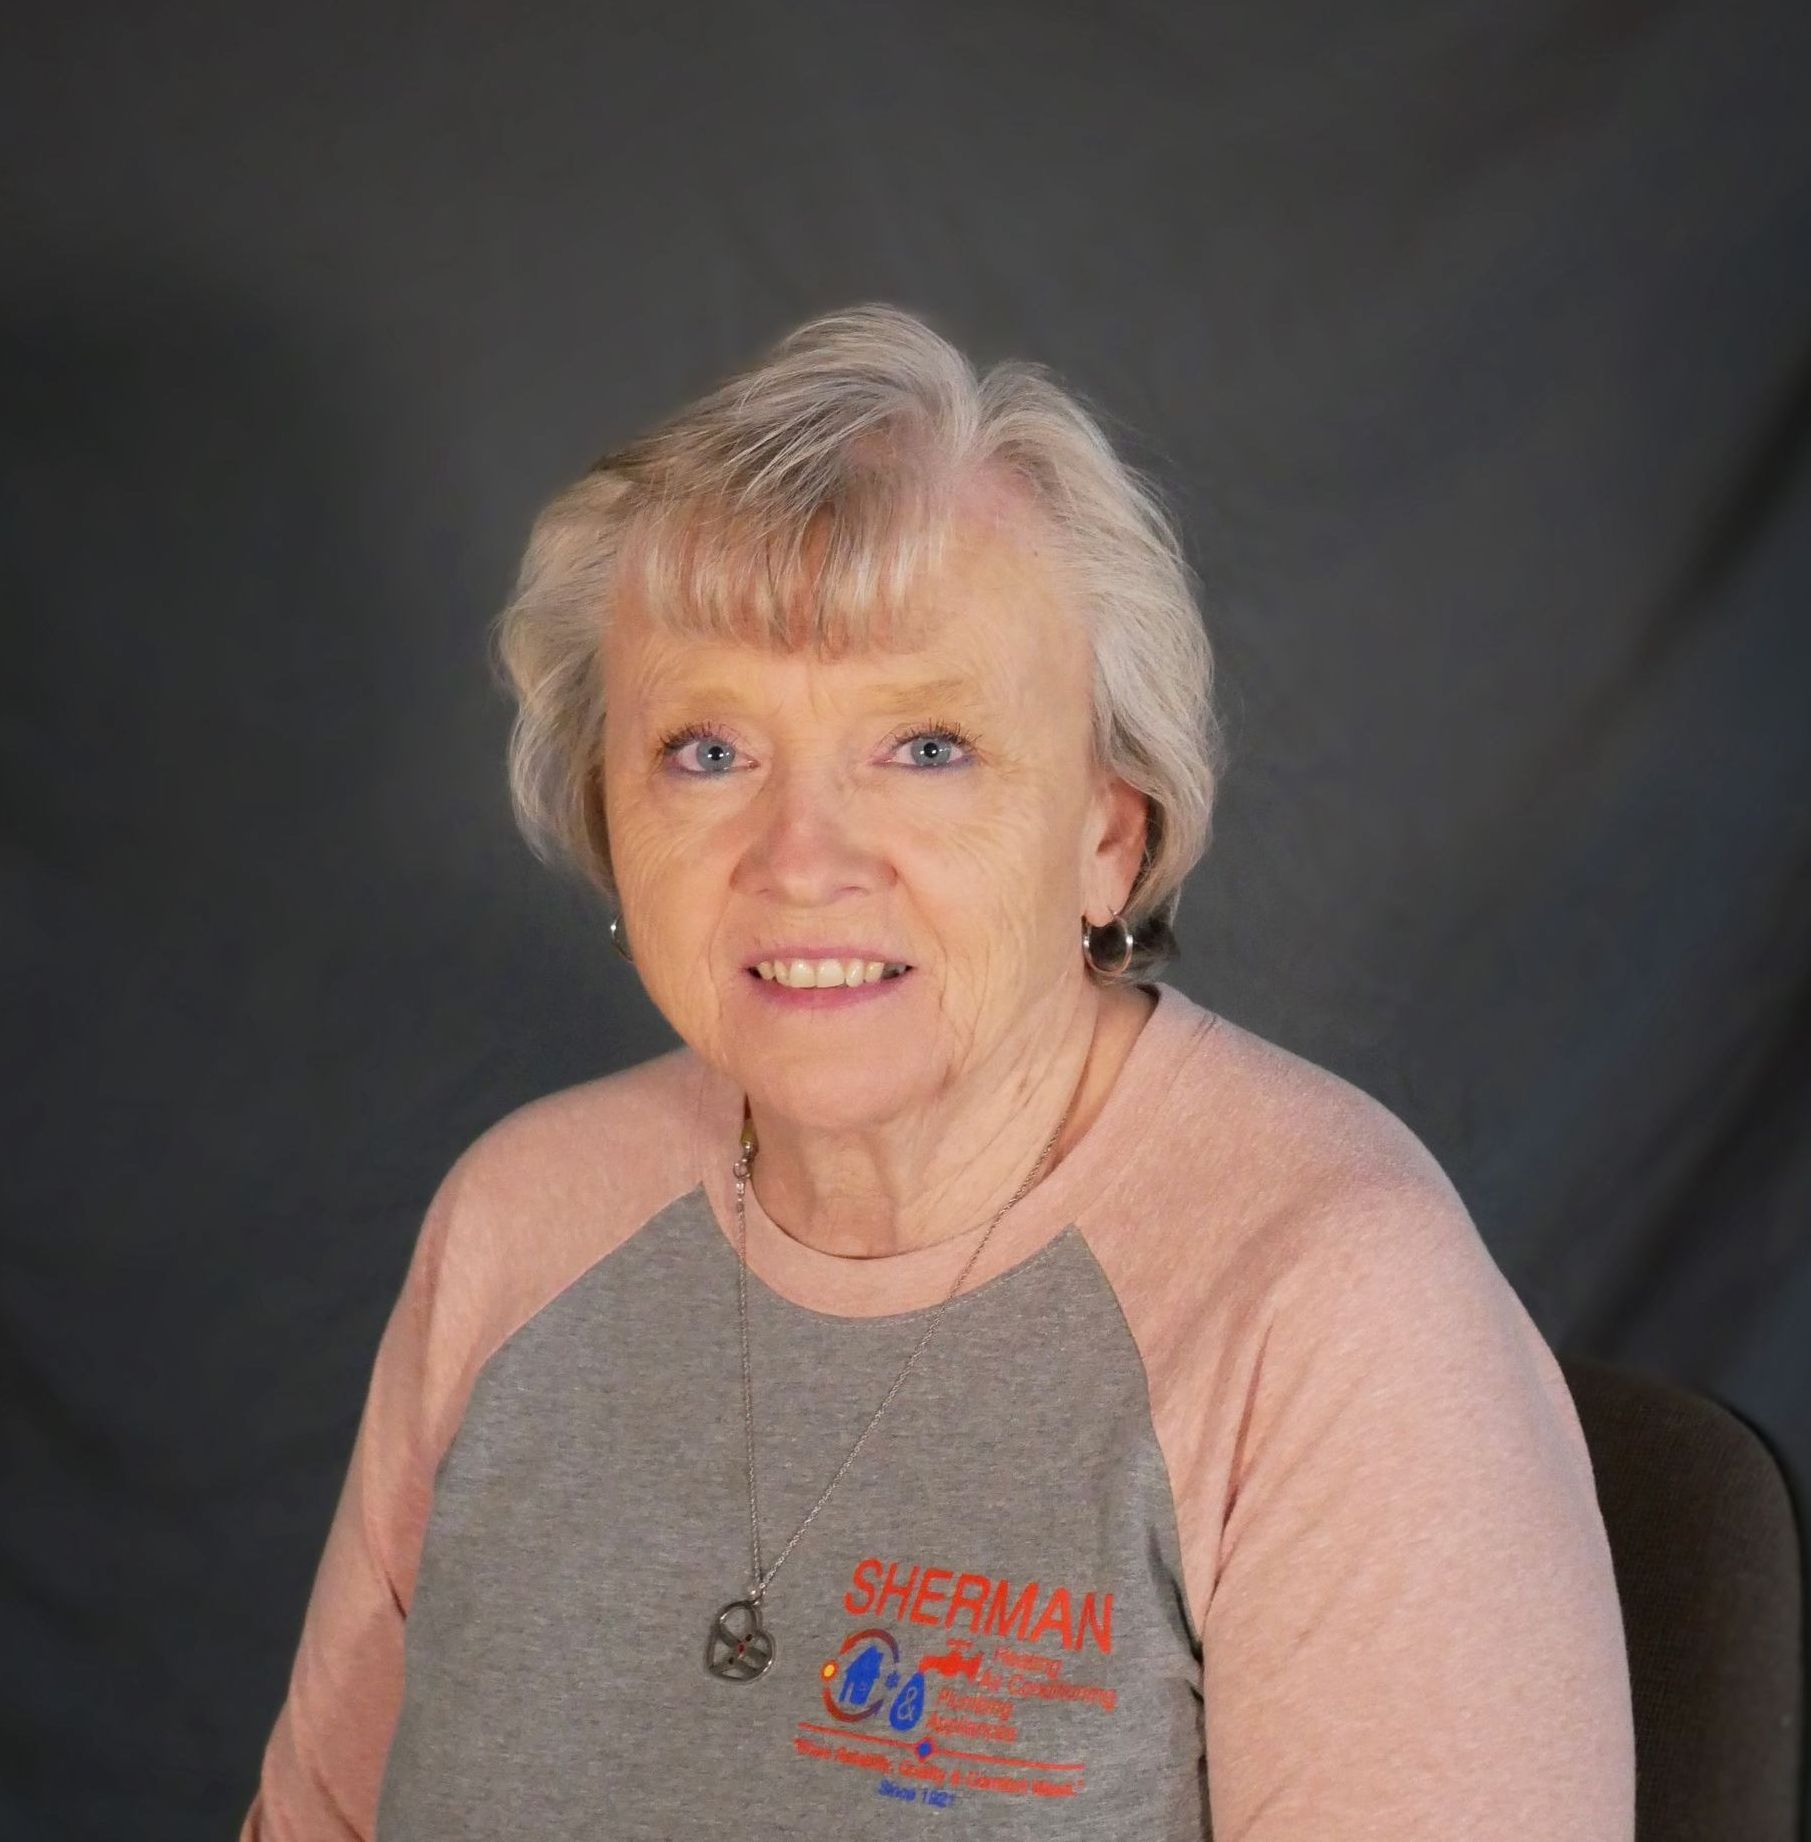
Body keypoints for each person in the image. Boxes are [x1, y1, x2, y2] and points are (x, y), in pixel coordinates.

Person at [238, 303, 1635, 1839]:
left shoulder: (1332, 1295)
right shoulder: (522, 1219)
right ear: (607, 813)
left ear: (1108, 832)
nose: (802, 859)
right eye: (708, 750)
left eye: (926, 746)